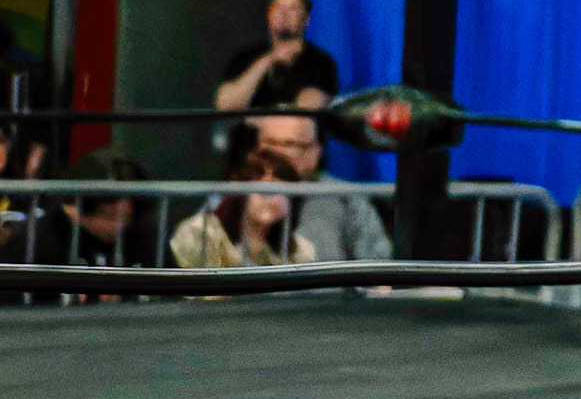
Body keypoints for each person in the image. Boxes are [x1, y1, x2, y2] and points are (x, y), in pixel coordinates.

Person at [236, 106, 389, 265]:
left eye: (289, 144)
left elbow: (377, 263)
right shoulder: (236, 190)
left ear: (314, 152)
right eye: (270, 142)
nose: (277, 153)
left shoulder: (344, 196)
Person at [4, 146, 158, 301]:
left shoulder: (144, 235)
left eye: (126, 216)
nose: (123, 208)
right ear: (75, 207)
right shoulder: (34, 241)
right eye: (109, 215)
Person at [211, 0, 339, 117]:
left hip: (295, 130)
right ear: (269, 15)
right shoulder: (246, 57)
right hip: (249, 129)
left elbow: (312, 108)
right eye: (278, 7)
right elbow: (225, 106)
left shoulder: (321, 62)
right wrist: (268, 60)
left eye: (293, 8)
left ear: (306, 19)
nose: (284, 14)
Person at [169, 172, 314, 271]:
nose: (270, 197)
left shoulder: (301, 248)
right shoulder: (200, 230)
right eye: (264, 191)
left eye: (276, 189)